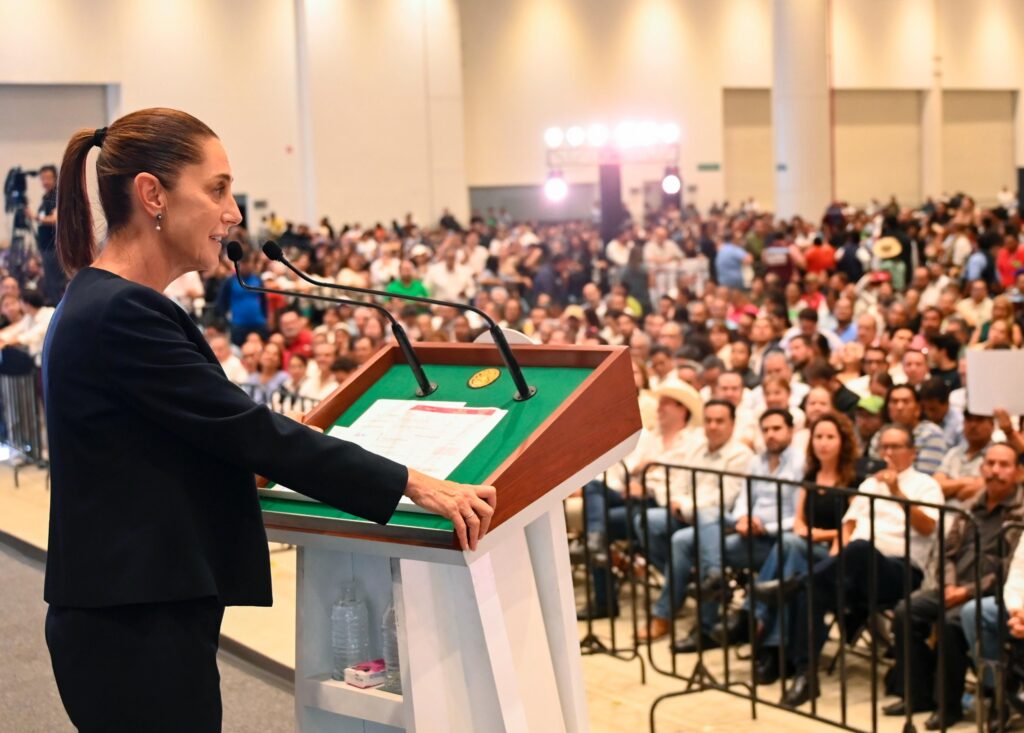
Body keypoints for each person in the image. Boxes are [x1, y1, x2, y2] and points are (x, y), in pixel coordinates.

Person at [43, 109, 496, 732]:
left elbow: (168, 445)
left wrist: (249, 460)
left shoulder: (106, 301)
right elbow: (249, 432)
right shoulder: (120, 312)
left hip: (134, 614)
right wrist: (415, 483)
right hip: (134, 626)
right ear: (152, 194)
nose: (233, 213)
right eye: (217, 189)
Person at [764, 425, 942, 708]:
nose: (888, 453)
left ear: (912, 452)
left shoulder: (925, 485)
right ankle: (805, 676)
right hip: (856, 568)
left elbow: (928, 526)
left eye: (896, 447)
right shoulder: (870, 484)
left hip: (899, 570)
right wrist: (836, 559)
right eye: (884, 447)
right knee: (816, 589)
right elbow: (848, 526)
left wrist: (896, 492)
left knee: (859, 549)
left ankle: (796, 583)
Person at [883, 443, 1023, 730]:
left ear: (1019, 472)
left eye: (1004, 465)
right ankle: (919, 694)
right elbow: (948, 552)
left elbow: (1009, 570)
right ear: (981, 468)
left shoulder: (1019, 514)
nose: (995, 471)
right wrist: (949, 584)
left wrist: (966, 592)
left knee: (951, 622)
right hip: (953, 585)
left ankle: (950, 705)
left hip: (991, 592)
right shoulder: (972, 506)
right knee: (906, 611)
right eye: (990, 463)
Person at [751, 412, 860, 686]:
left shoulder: (855, 480)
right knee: (792, 572)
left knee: (790, 545)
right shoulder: (811, 476)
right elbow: (799, 521)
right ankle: (779, 651)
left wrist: (817, 534)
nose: (823, 442)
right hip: (805, 549)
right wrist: (807, 533)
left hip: (836, 555)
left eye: (830, 437)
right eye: (818, 437)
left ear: (843, 441)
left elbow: (852, 529)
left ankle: (756, 620)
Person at [25, 164, 68, 305]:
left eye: (48, 178)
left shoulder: (56, 195)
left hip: (53, 247)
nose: (45, 181)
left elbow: (56, 218)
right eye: (43, 178)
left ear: (55, 178)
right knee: (50, 282)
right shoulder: (46, 197)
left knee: (56, 282)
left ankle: (59, 310)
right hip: (45, 247)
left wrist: (35, 217)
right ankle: (55, 308)